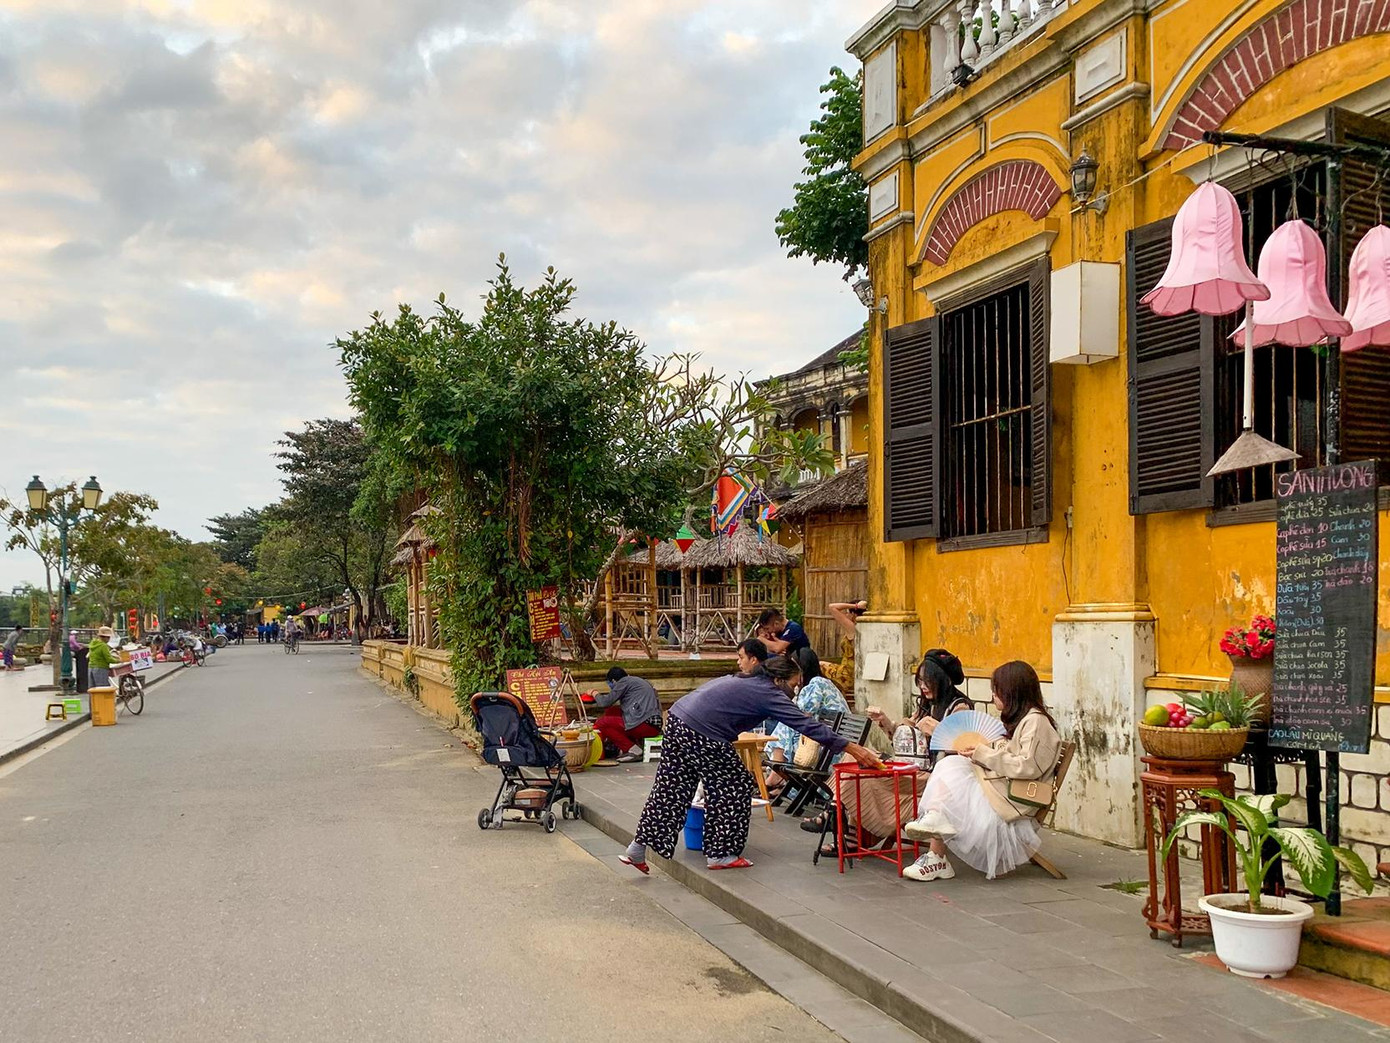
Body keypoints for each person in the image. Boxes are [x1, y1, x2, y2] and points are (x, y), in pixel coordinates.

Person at [620, 656, 882, 875]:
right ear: (779, 680)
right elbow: (807, 726)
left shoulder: (749, 681)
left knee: (670, 790)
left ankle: (637, 848)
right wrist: (852, 748)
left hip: (678, 721)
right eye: (793, 685)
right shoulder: (768, 692)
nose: (796, 691)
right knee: (735, 785)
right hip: (702, 732)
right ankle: (721, 854)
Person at [902, 661, 1061, 882]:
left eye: (996, 691)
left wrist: (983, 754)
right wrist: (984, 749)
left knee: (954, 777)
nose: (993, 697)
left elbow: (1027, 767)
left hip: (1014, 799)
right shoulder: (1025, 719)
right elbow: (1013, 753)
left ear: (1012, 692)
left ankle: (936, 852)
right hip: (1003, 787)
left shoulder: (1036, 722)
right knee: (952, 765)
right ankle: (935, 835)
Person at [866, 648, 972, 771]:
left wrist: (937, 730)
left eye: (928, 681)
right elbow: (908, 732)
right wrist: (885, 722)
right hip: (916, 768)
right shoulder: (927, 704)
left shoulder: (960, 707)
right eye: (920, 680)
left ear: (945, 680)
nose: (922, 686)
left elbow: (963, 746)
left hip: (940, 773)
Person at [764, 647, 849, 793]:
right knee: (787, 724)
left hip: (829, 744)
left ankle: (778, 774)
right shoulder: (821, 682)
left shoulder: (816, 683)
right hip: (829, 739)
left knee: (787, 723)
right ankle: (780, 775)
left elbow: (801, 713)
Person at [591, 667, 663, 763]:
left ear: (613, 681)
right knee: (612, 711)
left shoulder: (624, 682)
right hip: (654, 725)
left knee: (602, 723)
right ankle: (618, 747)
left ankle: (634, 750)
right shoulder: (638, 681)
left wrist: (594, 693)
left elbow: (605, 702)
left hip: (644, 725)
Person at [821, 599, 866, 692]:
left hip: (847, 675)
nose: (846, 615)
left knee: (817, 665)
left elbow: (832, 607)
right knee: (821, 663)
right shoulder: (864, 628)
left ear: (854, 614)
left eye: (848, 613)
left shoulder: (853, 629)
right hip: (853, 670)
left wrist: (855, 606)